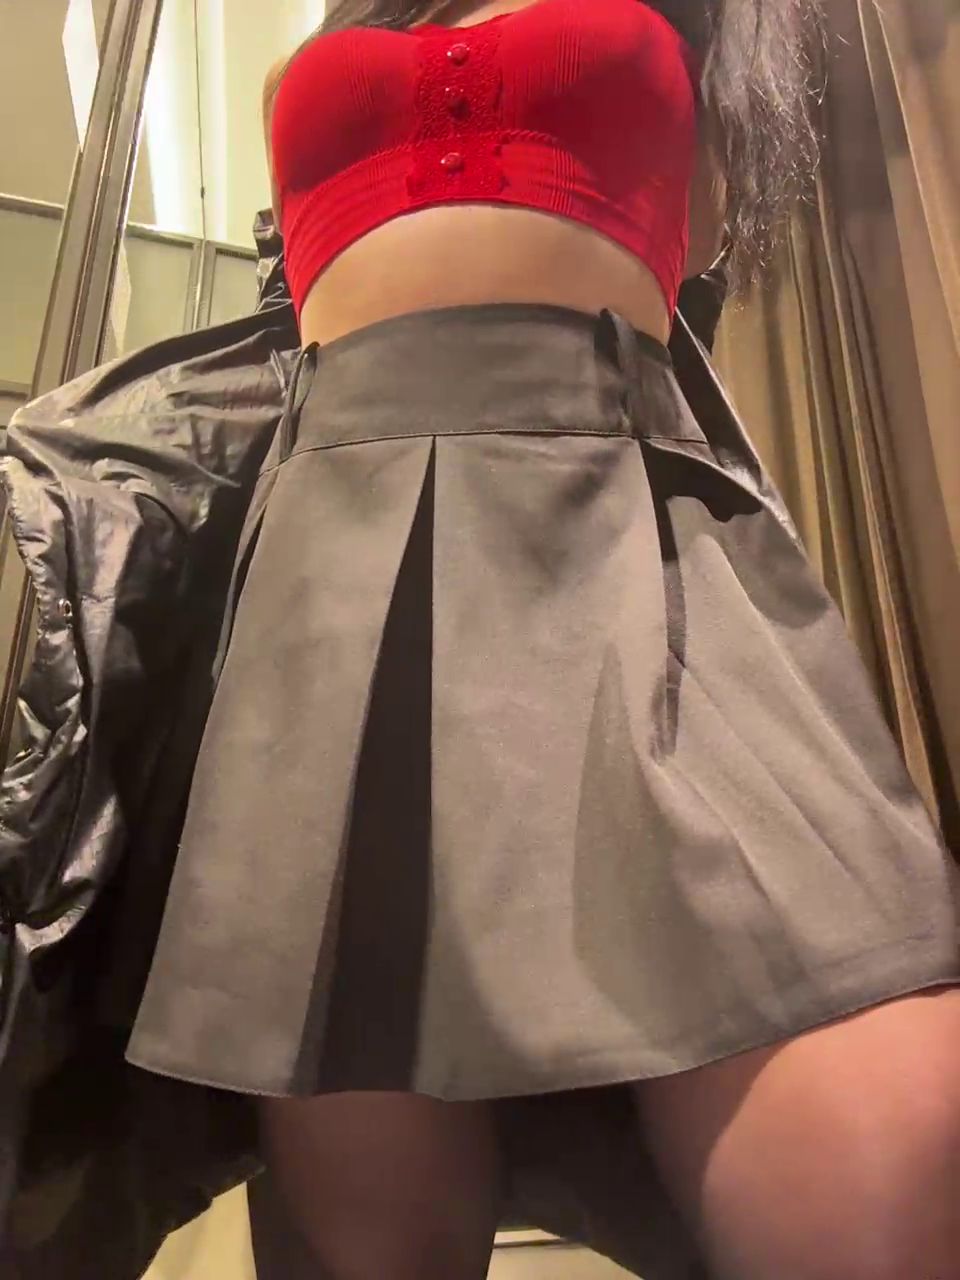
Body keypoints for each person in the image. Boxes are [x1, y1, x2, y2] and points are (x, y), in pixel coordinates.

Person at [117, 2, 960, 1278]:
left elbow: (699, 222)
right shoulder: (315, 52)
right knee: (371, 1234)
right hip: (331, 594)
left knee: (883, 1172)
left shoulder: (698, 31)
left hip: (626, 539)